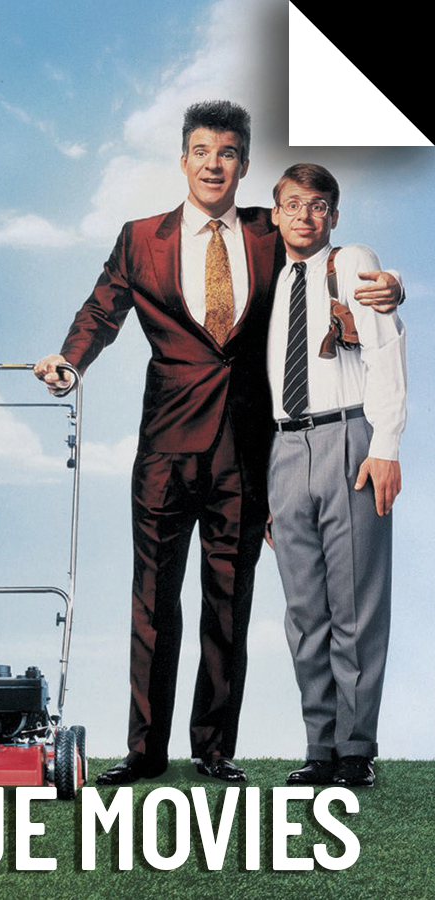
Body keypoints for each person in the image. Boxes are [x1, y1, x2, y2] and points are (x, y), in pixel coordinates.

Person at [35, 102, 401, 785]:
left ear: (244, 165)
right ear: (183, 161)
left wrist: (393, 286)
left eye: (227, 153)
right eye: (201, 151)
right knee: (153, 602)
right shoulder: (139, 238)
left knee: (229, 604)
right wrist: (69, 360)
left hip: (246, 452)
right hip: (165, 448)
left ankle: (212, 748)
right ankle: (145, 751)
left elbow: (334, 258)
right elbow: (100, 310)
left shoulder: (270, 231)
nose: (213, 164)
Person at [266, 163, 406, 788]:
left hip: (349, 437)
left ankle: (355, 749)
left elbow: (385, 349)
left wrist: (386, 445)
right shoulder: (268, 282)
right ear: (276, 215)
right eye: (293, 204)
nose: (305, 215)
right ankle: (319, 747)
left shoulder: (352, 263)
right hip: (284, 446)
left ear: (334, 216)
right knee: (304, 612)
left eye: (318, 205)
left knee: (354, 605)